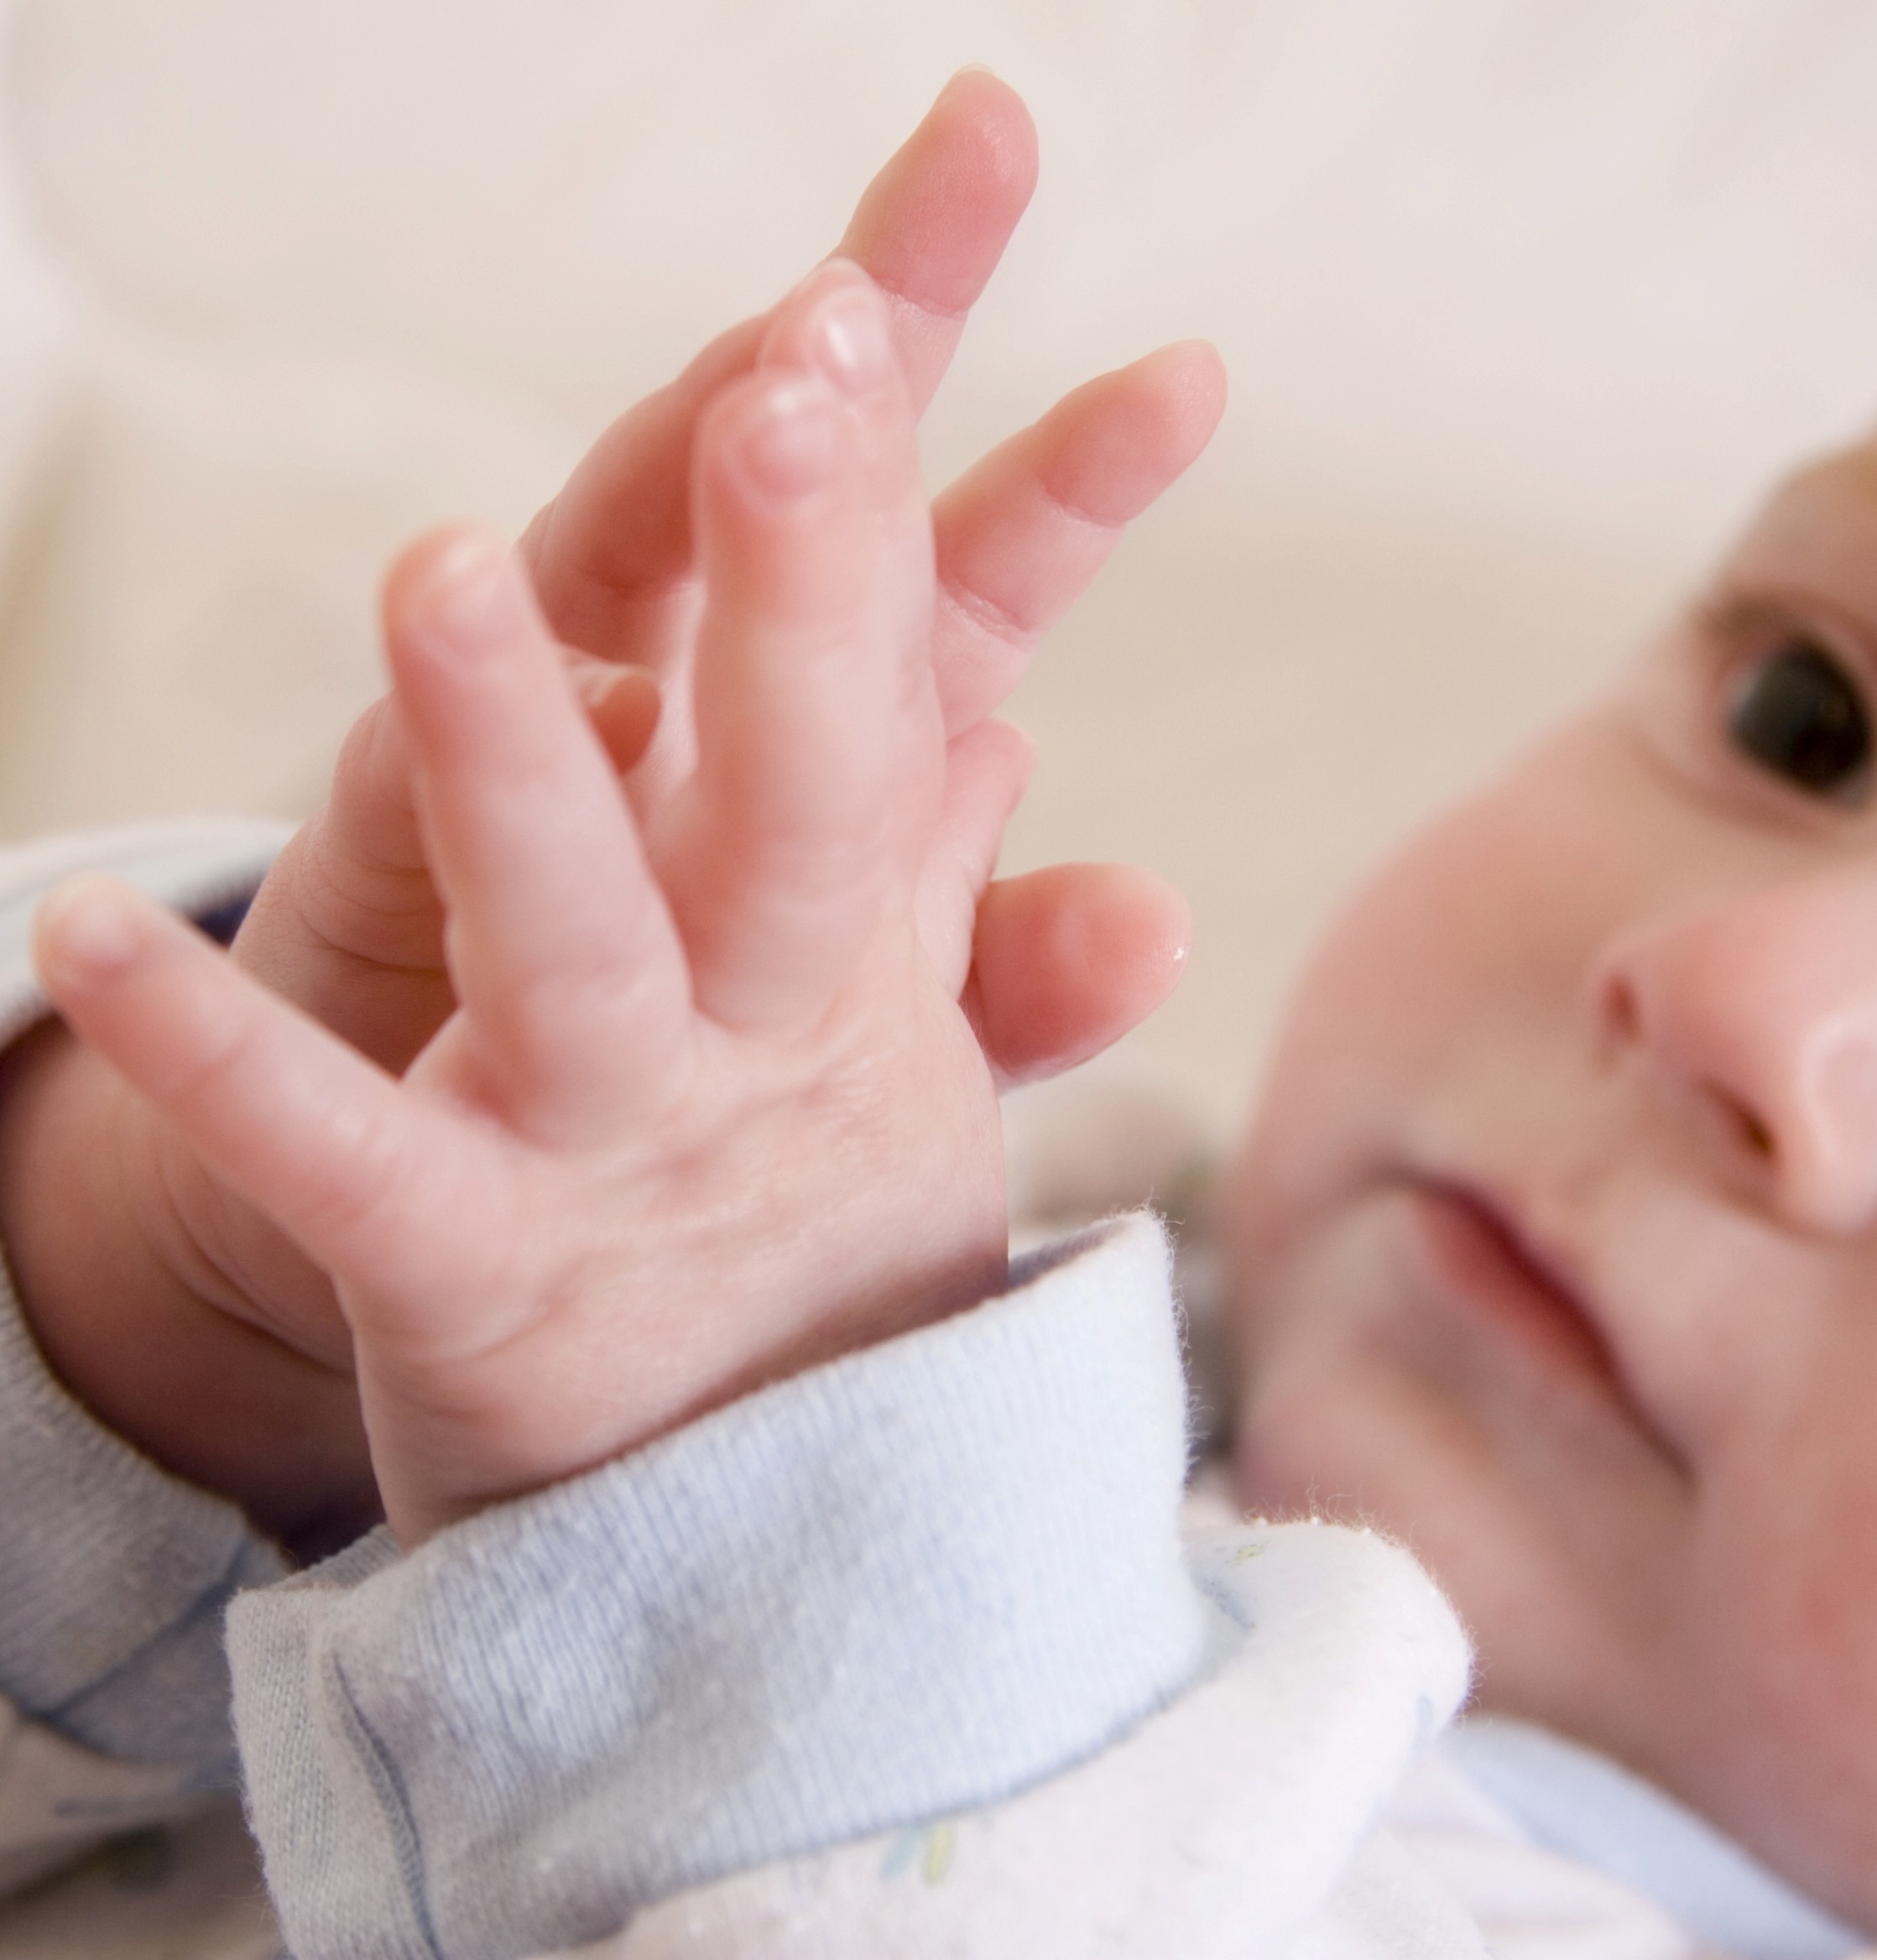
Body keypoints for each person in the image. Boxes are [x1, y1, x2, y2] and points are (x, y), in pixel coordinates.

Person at [0, 66, 1862, 1960]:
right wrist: (175, 1339)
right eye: (1812, 721)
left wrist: (780, 1541)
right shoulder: (983, 1199)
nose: (1731, 994)